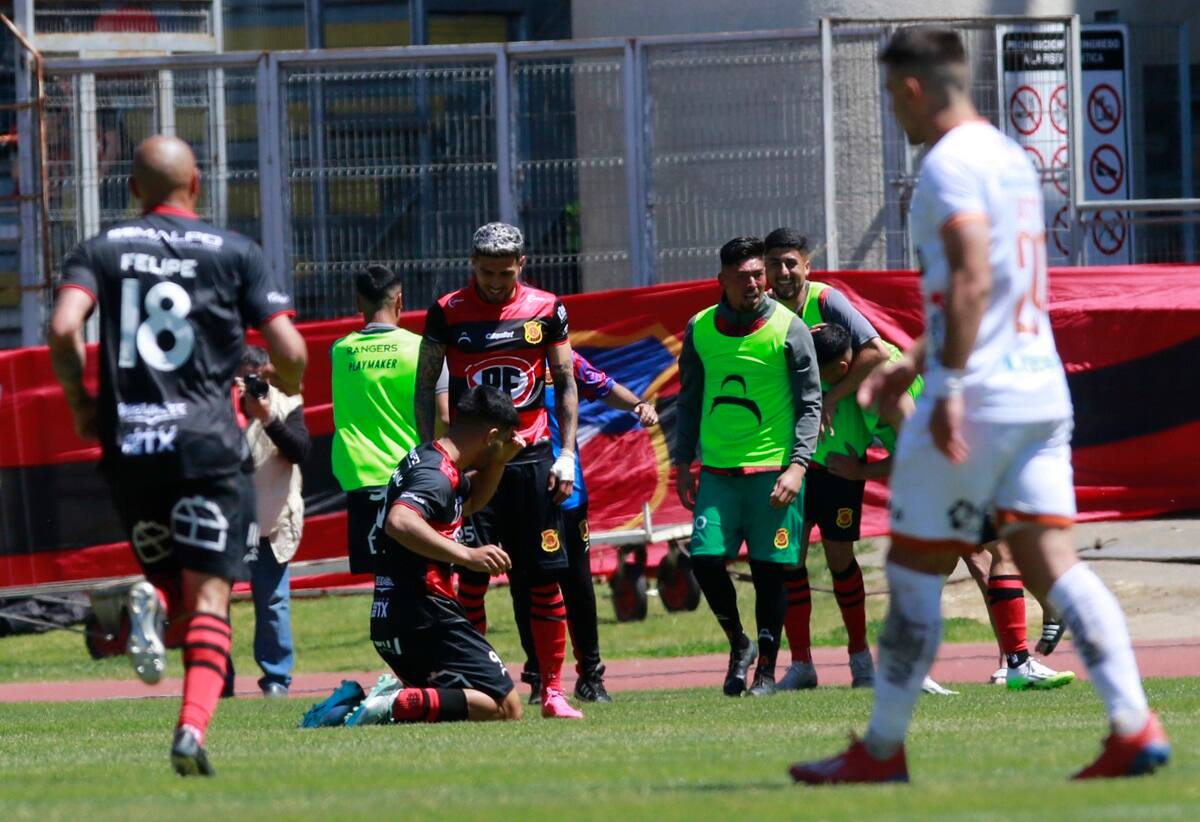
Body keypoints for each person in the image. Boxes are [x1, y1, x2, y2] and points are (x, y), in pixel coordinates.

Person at [790, 27, 1168, 784]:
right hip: (1038, 387)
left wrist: (948, 389)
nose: (893, 111)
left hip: (983, 395)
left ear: (912, 89)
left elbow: (966, 277)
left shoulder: (947, 166)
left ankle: (883, 747)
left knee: (913, 566)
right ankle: (1133, 724)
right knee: (1050, 560)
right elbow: (989, 286)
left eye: (890, 95)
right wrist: (910, 369)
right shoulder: (1009, 159)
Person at [48, 134, 307, 776]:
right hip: (207, 448)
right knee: (212, 599)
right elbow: (293, 354)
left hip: (131, 446)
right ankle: (190, 731)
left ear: (133, 189)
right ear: (198, 184)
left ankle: (154, 605)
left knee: (175, 590)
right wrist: (288, 386)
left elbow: (61, 327)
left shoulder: (101, 248)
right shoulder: (236, 253)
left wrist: (83, 405)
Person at [803, 323, 1072, 694]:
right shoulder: (872, 379)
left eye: (822, 372)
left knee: (953, 566)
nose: (819, 382)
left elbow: (919, 448)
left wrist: (861, 471)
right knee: (995, 555)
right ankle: (1017, 661)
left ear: (844, 367)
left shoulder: (883, 390)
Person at [415, 222, 583, 719]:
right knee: (469, 577)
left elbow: (567, 381)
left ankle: (552, 690)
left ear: (522, 265)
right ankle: (476, 684)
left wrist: (567, 454)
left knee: (544, 577)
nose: (493, 281)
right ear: (472, 264)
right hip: (472, 462)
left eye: (504, 273)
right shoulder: (447, 311)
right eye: (485, 272)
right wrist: (431, 450)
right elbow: (426, 385)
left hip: (531, 459)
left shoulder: (547, 309)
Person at [671, 236, 822, 697]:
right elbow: (690, 398)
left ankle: (766, 674)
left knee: (770, 572)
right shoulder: (699, 329)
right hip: (717, 473)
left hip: (773, 474)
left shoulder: (789, 328)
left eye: (758, 274)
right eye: (743, 277)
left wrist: (797, 467)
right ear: (722, 280)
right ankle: (739, 642)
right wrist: (681, 463)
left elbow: (811, 403)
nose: (755, 283)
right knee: (705, 560)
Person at [328, 386, 529, 726]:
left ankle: (352, 703)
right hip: (426, 616)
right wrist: (468, 555)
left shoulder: (428, 456)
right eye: (504, 439)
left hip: (394, 619)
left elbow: (470, 503)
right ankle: (393, 701)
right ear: (491, 434)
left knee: (452, 699)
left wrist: (498, 461)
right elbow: (399, 521)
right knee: (506, 707)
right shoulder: (435, 476)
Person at [497, 350, 659, 704]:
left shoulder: (562, 359)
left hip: (568, 493)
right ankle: (540, 677)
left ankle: (591, 676)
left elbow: (604, 386)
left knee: (579, 585)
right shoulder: (493, 356)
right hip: (518, 492)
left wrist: (638, 405)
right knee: (525, 586)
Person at [331, 265, 448, 576]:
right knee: (421, 570)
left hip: (360, 474)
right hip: (411, 474)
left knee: (381, 577)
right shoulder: (421, 348)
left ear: (358, 303)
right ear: (400, 300)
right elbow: (445, 416)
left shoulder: (340, 352)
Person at [237, 345, 311, 698]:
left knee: (272, 603)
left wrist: (267, 417)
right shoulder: (218, 406)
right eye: (244, 377)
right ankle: (216, 680)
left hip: (270, 520)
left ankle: (277, 679)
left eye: (257, 377)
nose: (251, 385)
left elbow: (300, 451)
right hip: (226, 524)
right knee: (211, 603)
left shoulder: (286, 402)